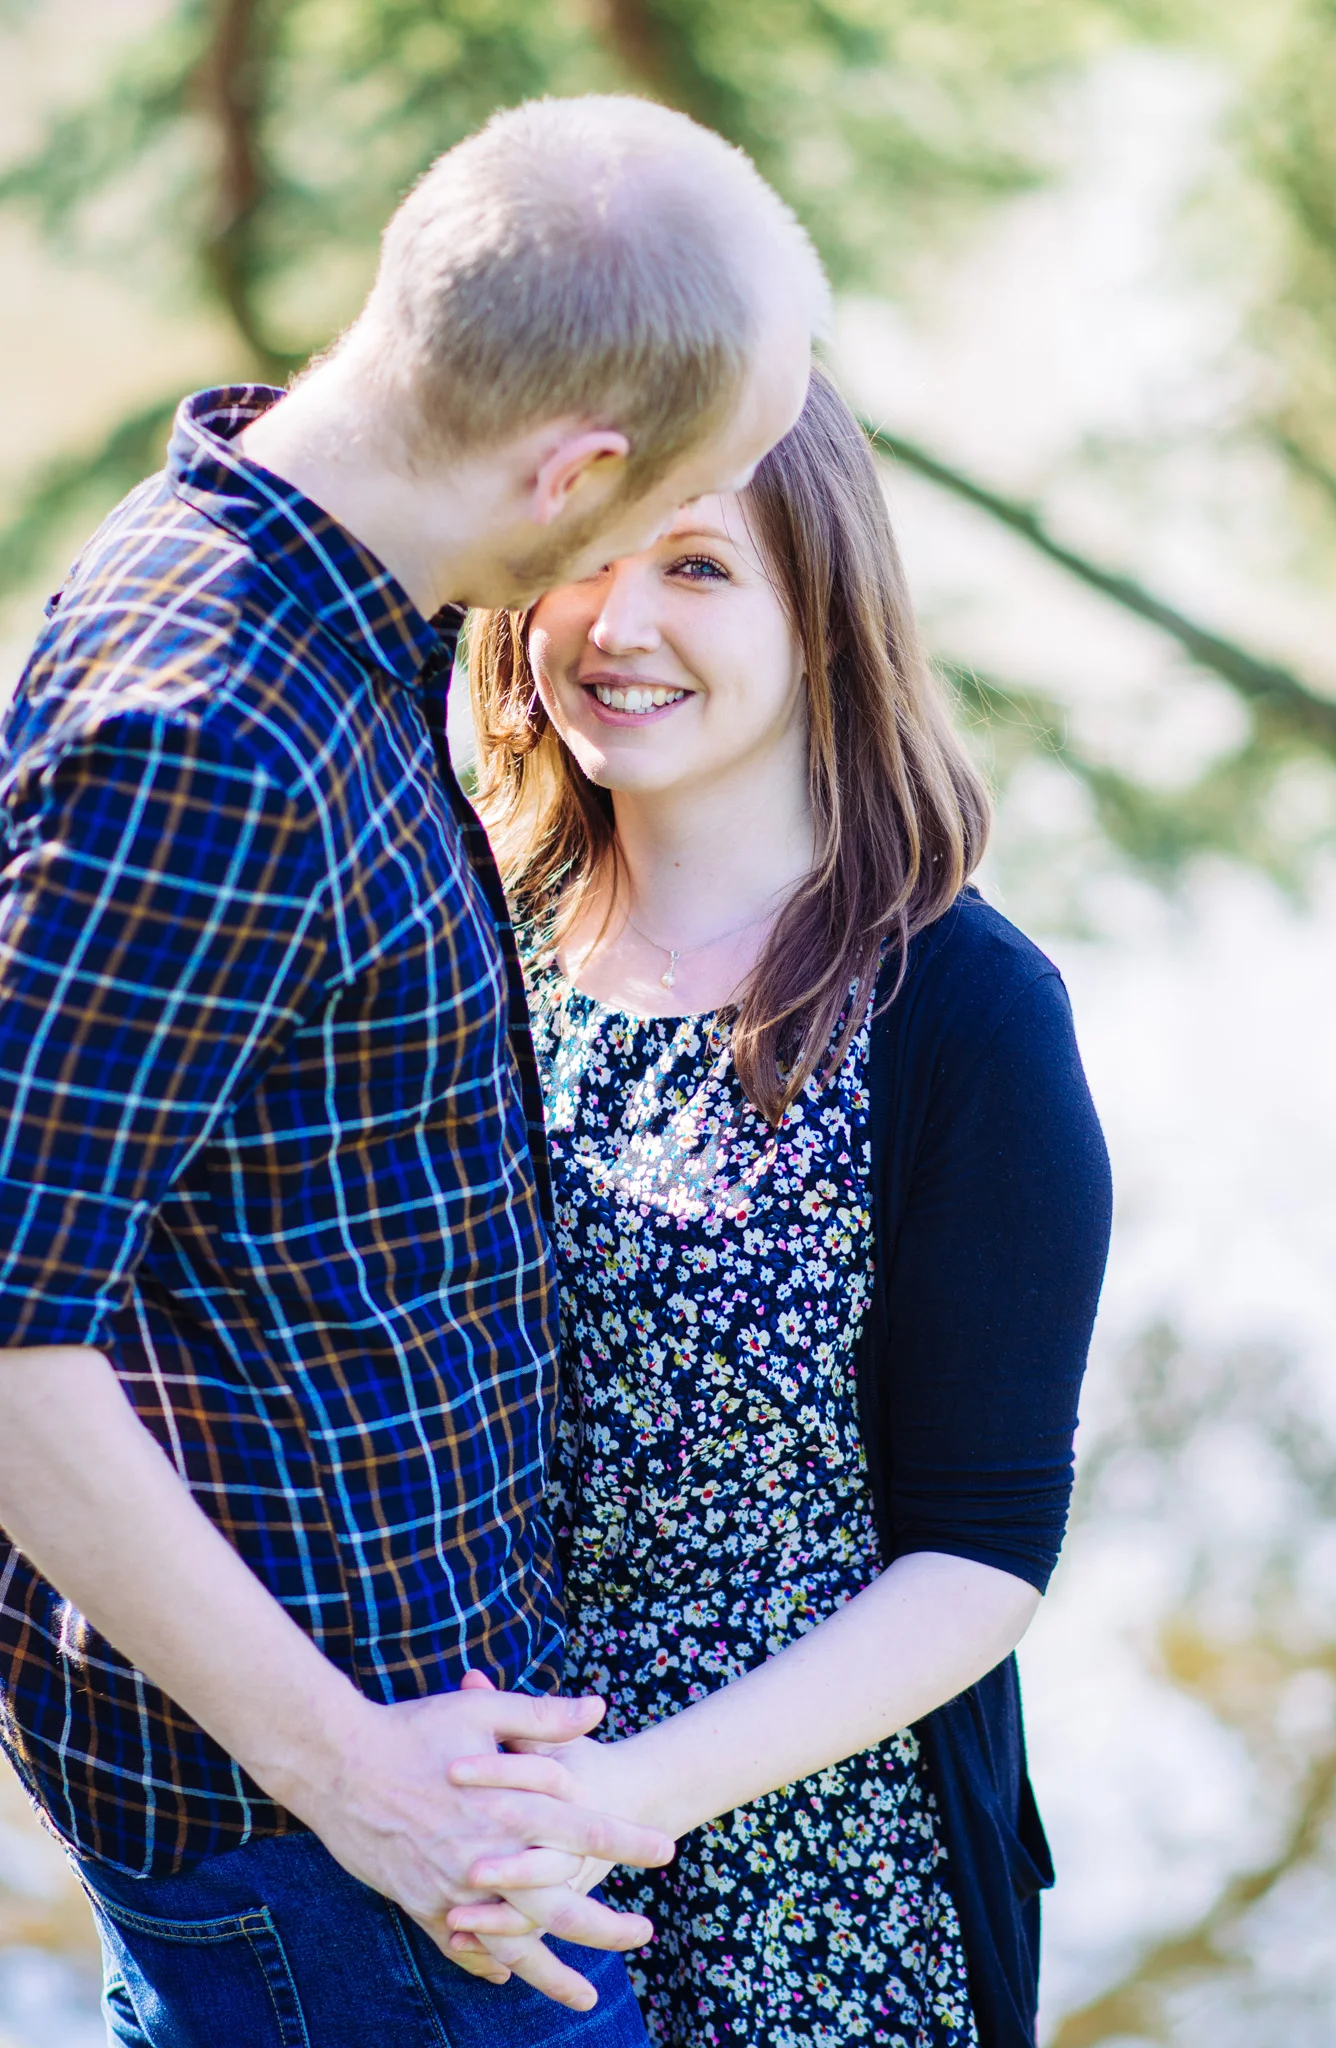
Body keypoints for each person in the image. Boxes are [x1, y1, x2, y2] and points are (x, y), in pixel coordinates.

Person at [0, 95, 826, 2047]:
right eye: (655, 511)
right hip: (348, 1870)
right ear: (575, 469)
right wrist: (358, 1779)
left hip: (406, 1812)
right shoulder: (210, 737)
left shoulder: (307, 592)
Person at [453, 367, 1112, 2047]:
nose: (616, 622)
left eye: (696, 565)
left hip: (805, 1881)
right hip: (457, 1856)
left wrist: (623, 1797)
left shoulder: (962, 1009)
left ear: (822, 611)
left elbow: (978, 1559)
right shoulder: (460, 941)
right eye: (582, 557)